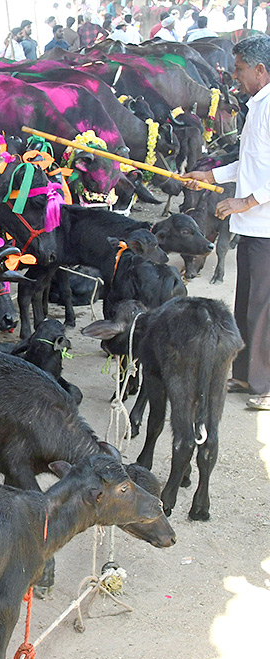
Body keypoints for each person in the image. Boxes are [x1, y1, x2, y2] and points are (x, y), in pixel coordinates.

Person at [185, 35, 270, 410]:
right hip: (254, 225)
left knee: (264, 306)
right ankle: (248, 375)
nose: (234, 76)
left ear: (260, 70)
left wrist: (245, 200)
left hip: (266, 223)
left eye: (239, 69)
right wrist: (211, 177)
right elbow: (250, 164)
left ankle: (265, 384)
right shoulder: (258, 107)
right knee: (247, 303)